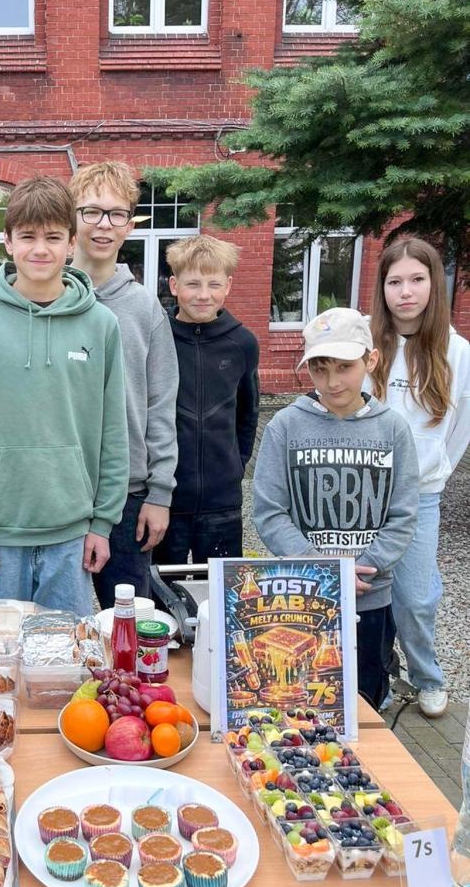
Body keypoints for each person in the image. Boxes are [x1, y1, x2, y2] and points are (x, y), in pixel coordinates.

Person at [0, 175, 129, 617]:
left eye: (52, 237)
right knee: (1, 666)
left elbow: (113, 433)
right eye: (27, 237)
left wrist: (103, 523)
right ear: (8, 242)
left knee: (69, 669)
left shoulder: (101, 325)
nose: (40, 249)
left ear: (71, 243)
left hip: (72, 533)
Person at [253, 308, 419, 711]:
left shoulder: (392, 429)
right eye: (319, 368)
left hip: (371, 594)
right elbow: (270, 511)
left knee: (366, 698)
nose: (332, 381)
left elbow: (403, 514)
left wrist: (366, 565)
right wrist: (321, 568)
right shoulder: (286, 427)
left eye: (344, 367)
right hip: (307, 596)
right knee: (306, 698)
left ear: (371, 360)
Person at [68, 161, 178, 605]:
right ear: (70, 218)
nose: (103, 224)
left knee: (128, 630)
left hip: (128, 496)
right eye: (91, 211)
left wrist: (160, 493)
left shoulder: (144, 308)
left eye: (115, 214)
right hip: (59, 493)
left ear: (129, 225)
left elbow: (160, 404)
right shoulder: (43, 300)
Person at [369, 238, 470, 717]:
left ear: (435, 283)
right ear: (382, 288)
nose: (405, 292)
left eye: (417, 279)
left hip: (419, 497)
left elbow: (459, 428)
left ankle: (427, 674)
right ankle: (372, 673)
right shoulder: (367, 343)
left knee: (414, 595)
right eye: (394, 282)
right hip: (364, 492)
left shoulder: (457, 352)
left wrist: (436, 473)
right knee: (364, 586)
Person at [153, 235, 260, 565]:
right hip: (167, 498)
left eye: (213, 284)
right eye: (193, 284)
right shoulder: (158, 338)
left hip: (221, 501)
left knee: (217, 596)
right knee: (159, 595)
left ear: (227, 286)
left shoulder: (242, 343)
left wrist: (233, 469)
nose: (203, 294)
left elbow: (248, 415)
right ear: (174, 284)